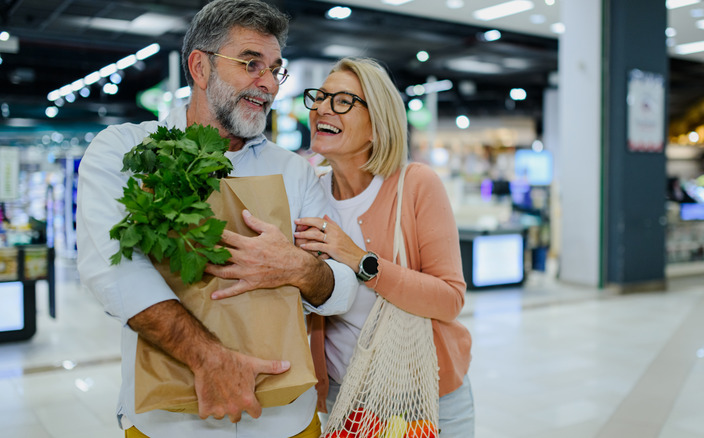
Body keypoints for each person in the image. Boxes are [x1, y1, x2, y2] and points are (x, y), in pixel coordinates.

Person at [75, 1, 358, 437]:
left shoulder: (295, 171)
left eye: (275, 69)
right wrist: (211, 360)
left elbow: (341, 289)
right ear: (200, 68)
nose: (267, 84)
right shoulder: (126, 152)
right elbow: (113, 272)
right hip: (168, 420)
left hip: (284, 418)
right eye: (250, 63)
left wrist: (298, 268)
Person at [294, 57, 475, 436]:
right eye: (320, 97)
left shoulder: (416, 185)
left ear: (377, 125)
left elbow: (449, 298)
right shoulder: (306, 194)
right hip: (345, 398)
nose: (323, 108)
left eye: (343, 100)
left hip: (426, 395)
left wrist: (360, 260)